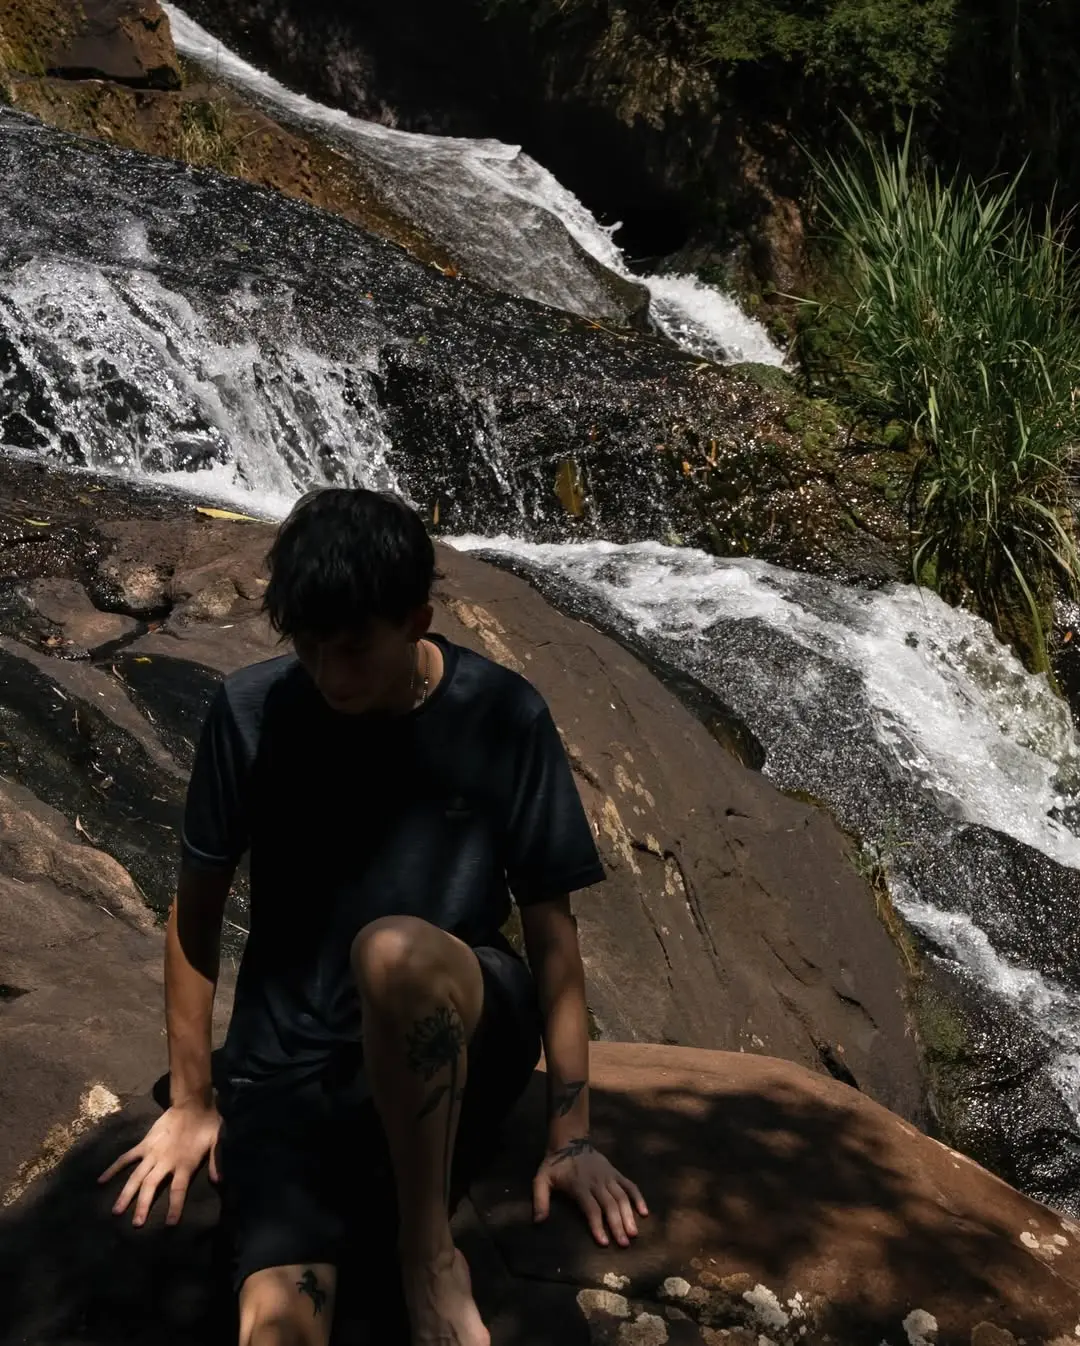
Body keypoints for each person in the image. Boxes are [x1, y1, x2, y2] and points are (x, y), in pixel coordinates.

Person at [99, 487, 647, 1346]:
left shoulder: (502, 715)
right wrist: (194, 1099)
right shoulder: (250, 712)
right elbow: (194, 911)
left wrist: (570, 1135)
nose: (330, 676)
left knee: (391, 952)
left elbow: (552, 932)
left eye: (353, 648)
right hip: (294, 1067)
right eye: (308, 647)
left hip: (461, 1023)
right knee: (277, 1324)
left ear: (417, 620)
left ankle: (427, 1255)